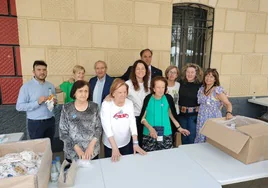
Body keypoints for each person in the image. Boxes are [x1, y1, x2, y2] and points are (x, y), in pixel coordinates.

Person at [101, 79, 146, 162]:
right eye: (120, 92)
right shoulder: (106, 105)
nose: (123, 95)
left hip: (126, 142)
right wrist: (114, 148)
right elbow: (106, 126)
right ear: (113, 93)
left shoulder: (129, 103)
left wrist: (135, 143)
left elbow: (132, 123)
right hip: (111, 144)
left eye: (125, 92)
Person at [140, 76, 190, 152]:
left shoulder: (168, 98)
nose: (161, 90)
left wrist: (179, 128)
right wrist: (150, 128)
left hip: (166, 133)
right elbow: (142, 118)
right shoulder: (148, 98)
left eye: (163, 87)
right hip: (149, 134)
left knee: (166, 157)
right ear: (153, 88)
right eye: (158, 87)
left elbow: (172, 116)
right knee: (149, 158)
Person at [59, 80, 102, 161]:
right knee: (73, 173)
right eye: (80, 91)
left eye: (86, 91)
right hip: (72, 152)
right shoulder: (66, 108)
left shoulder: (94, 107)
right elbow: (63, 132)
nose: (83, 94)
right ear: (74, 93)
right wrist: (77, 148)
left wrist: (91, 146)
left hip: (92, 151)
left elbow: (99, 128)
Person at [16, 60, 56, 142]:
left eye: (44, 70)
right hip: (35, 123)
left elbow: (53, 103)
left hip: (50, 121)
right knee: (37, 149)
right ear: (33, 72)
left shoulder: (50, 85)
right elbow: (19, 107)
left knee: (49, 146)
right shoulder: (26, 87)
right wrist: (37, 102)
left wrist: (55, 103)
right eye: (39, 70)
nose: (42, 72)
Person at [195, 68, 233, 143]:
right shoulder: (201, 90)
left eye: (211, 77)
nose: (208, 78)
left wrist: (229, 113)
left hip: (213, 119)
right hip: (201, 118)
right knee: (201, 138)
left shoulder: (217, 91)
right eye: (207, 76)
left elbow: (228, 104)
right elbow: (203, 103)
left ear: (215, 79)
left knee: (211, 140)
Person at [126, 60, 150, 147]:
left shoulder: (149, 84)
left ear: (146, 70)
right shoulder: (128, 84)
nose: (140, 71)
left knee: (145, 143)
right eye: (138, 69)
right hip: (134, 118)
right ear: (134, 71)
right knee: (135, 144)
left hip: (147, 118)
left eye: (143, 69)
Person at [178, 63, 203, 145]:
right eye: (188, 72)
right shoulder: (180, 83)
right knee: (184, 137)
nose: (190, 74)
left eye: (192, 72)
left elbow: (211, 89)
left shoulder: (200, 85)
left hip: (193, 116)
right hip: (182, 115)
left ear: (196, 74)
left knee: (192, 137)